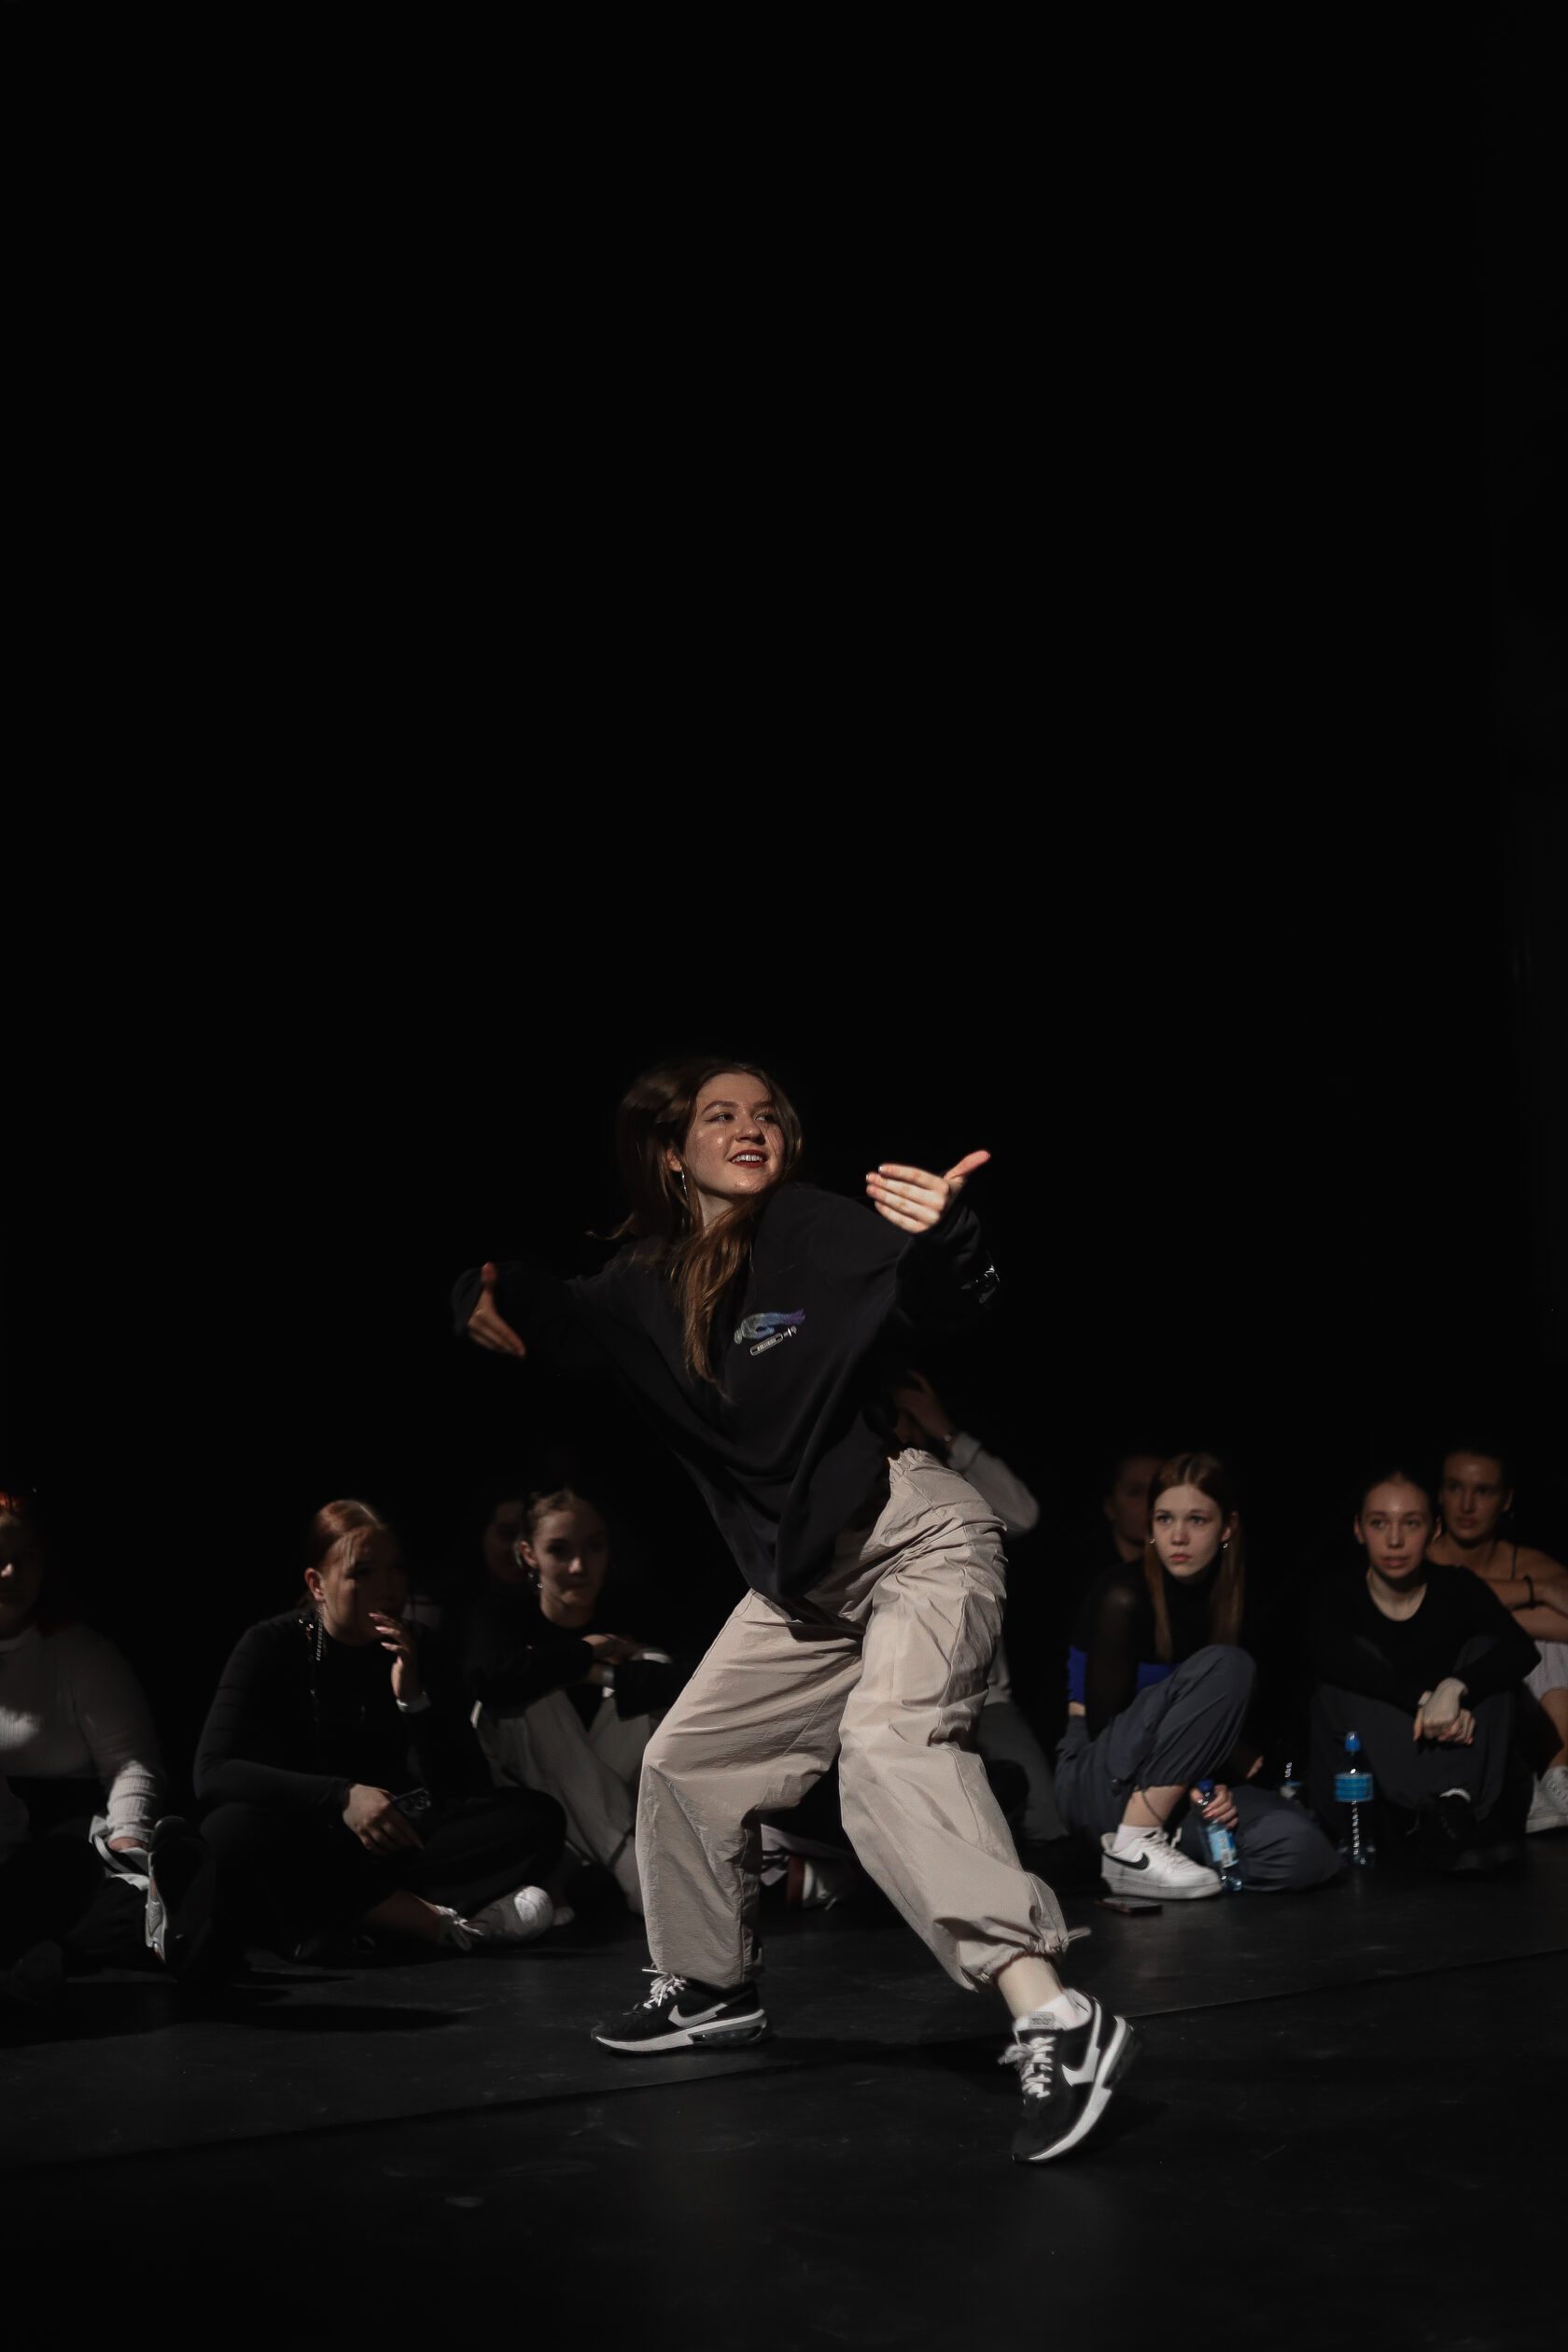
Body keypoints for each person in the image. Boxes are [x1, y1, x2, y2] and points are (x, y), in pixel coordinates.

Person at [456, 1058, 1136, 2166]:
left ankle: (1054, 2014)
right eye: (721, 1115)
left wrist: (950, 1232)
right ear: (672, 1155)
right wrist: (479, 1295)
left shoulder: (812, 1230)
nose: (751, 1128)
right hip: (806, 1586)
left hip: (915, 1539)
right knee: (687, 1760)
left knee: (889, 1752)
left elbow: (938, 1296)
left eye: (768, 1114)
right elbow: (549, 1307)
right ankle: (710, 1988)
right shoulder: (641, 1287)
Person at [193, 1500, 567, 1961]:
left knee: (537, 1818)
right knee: (227, 1831)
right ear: (317, 1584)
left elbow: (466, 1785)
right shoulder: (271, 1644)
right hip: (307, 1833)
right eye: (363, 1573)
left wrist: (414, 1700)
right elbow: (213, 1772)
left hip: (392, 1840)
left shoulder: (419, 1646)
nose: (387, 1588)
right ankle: (416, 1919)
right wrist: (341, 1796)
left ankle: (349, 1916)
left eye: (396, 1570)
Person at [1054, 1452, 1339, 1898]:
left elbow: (1225, 1729)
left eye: (1197, 1520)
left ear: (1227, 1528)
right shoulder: (1122, 1594)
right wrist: (1189, 1776)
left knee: (1303, 1849)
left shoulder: (1238, 1602)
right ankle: (1133, 1848)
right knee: (1229, 1665)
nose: (1178, 1536)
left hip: (1181, 1788)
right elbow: (1103, 1727)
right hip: (1099, 1782)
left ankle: (1172, 1848)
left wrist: (1210, 1787)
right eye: (1164, 1518)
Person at [0, 1490, 210, 2009]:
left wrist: (127, 1836)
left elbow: (131, 1763)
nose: (9, 1573)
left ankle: (175, 1915)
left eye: (25, 1558)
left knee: (84, 1900)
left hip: (69, 1837)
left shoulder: (81, 1655)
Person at [462, 1487, 690, 1914]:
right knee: (536, 1695)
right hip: (517, 1783)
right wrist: (585, 1653)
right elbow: (490, 1680)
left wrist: (595, 1672)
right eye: (559, 1550)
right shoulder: (503, 1610)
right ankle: (634, 1867)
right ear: (528, 1554)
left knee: (652, 1663)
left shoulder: (630, 1607)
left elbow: (687, 1682)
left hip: (592, 1791)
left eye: (594, 1547)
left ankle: (587, 1860)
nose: (579, 1566)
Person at [1304, 1464, 1539, 1870]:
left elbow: (1522, 1651)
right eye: (1379, 1523)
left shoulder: (1457, 1586)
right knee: (1346, 1674)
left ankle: (1451, 1807)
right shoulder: (1336, 1594)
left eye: (1411, 1523)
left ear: (1434, 1530)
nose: (1395, 1540)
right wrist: (1425, 1700)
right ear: (1359, 1529)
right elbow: (1327, 1657)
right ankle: (1442, 1811)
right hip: (1367, 1794)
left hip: (1452, 1769)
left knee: (1487, 1653)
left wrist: (1455, 1688)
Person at [890, 1370, 1063, 1841]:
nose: (896, 1427)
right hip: (904, 1699)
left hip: (985, 1698)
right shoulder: (860, 1487)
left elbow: (1023, 1514)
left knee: (1044, 1821)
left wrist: (947, 1434)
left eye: (903, 1416)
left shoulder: (946, 1480)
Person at [1427, 1442, 1568, 1831]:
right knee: (1499, 1643)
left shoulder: (1527, 1561)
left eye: (1483, 1491)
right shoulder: (1418, 1557)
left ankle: (1558, 1778)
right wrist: (1536, 1592)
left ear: (1505, 1500)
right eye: (1455, 1488)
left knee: (1547, 1646)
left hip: (1527, 1714)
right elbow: (1442, 1599)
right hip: (1453, 1711)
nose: (1466, 1505)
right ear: (1439, 1494)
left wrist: (1500, 1617)